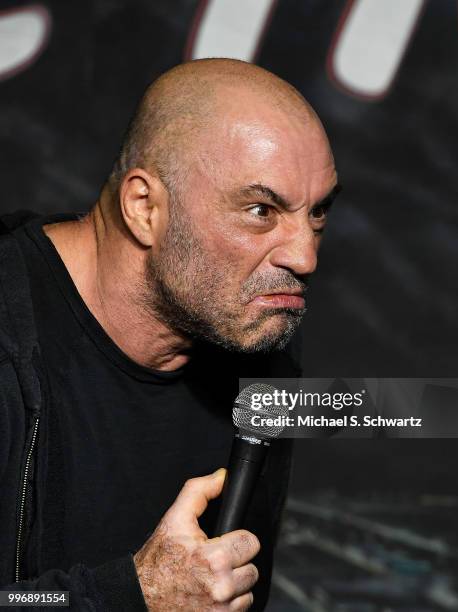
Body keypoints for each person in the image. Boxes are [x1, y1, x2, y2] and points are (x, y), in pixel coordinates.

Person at [0, 58, 339, 611]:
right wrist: (133, 595)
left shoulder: (255, 334)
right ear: (145, 208)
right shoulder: (12, 347)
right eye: (260, 210)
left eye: (318, 213)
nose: (304, 257)